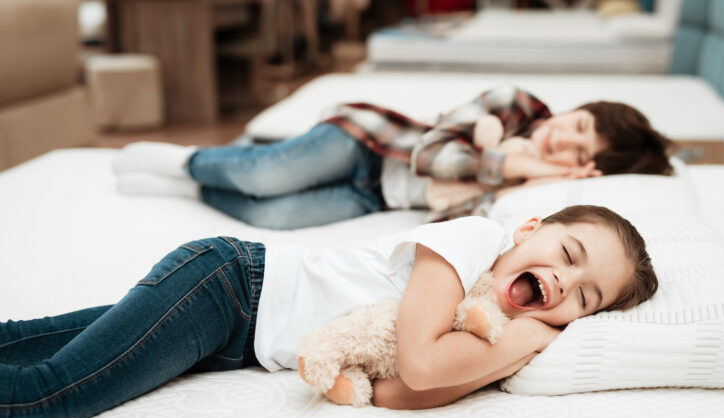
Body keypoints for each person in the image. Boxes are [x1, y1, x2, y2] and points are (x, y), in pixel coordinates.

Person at [0, 205, 657, 418]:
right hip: (226, 287)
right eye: (568, 255)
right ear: (531, 228)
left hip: (227, 341)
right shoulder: (473, 240)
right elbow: (423, 366)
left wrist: (511, 348)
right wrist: (529, 335)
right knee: (49, 394)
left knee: (22, 345)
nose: (565, 282)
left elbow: (399, 391)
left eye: (585, 297)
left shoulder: (477, 325)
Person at [112, 85, 672, 229]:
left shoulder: (544, 193)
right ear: (570, 110)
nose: (562, 142)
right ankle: (187, 161)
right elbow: (432, 153)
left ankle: (190, 186)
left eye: (579, 150)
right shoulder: (516, 105)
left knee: (269, 214)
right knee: (266, 174)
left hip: (374, 196)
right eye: (576, 125)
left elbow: (451, 219)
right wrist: (518, 166)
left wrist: (528, 188)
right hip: (370, 142)